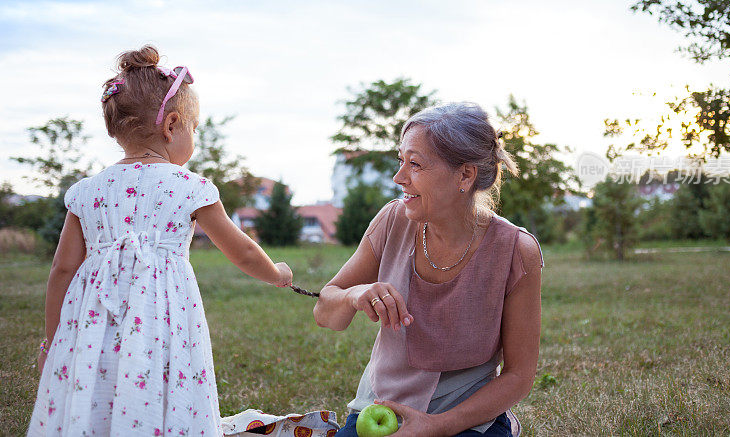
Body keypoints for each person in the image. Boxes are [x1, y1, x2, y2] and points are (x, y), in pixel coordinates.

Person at [28, 45, 293, 436]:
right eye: (194, 127)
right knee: (164, 388)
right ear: (172, 125)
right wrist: (276, 274)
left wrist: (54, 342)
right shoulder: (191, 187)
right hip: (162, 322)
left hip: (95, 323)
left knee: (99, 387)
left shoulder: (86, 192)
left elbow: (63, 269)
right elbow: (241, 249)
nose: (194, 135)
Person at [314, 102, 543, 437]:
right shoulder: (392, 221)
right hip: (383, 407)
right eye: (401, 161)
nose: (399, 177)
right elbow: (324, 311)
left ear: (465, 175)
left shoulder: (516, 251)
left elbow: (520, 375)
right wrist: (353, 295)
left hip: (468, 419)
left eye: (416, 165)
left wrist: (437, 426)